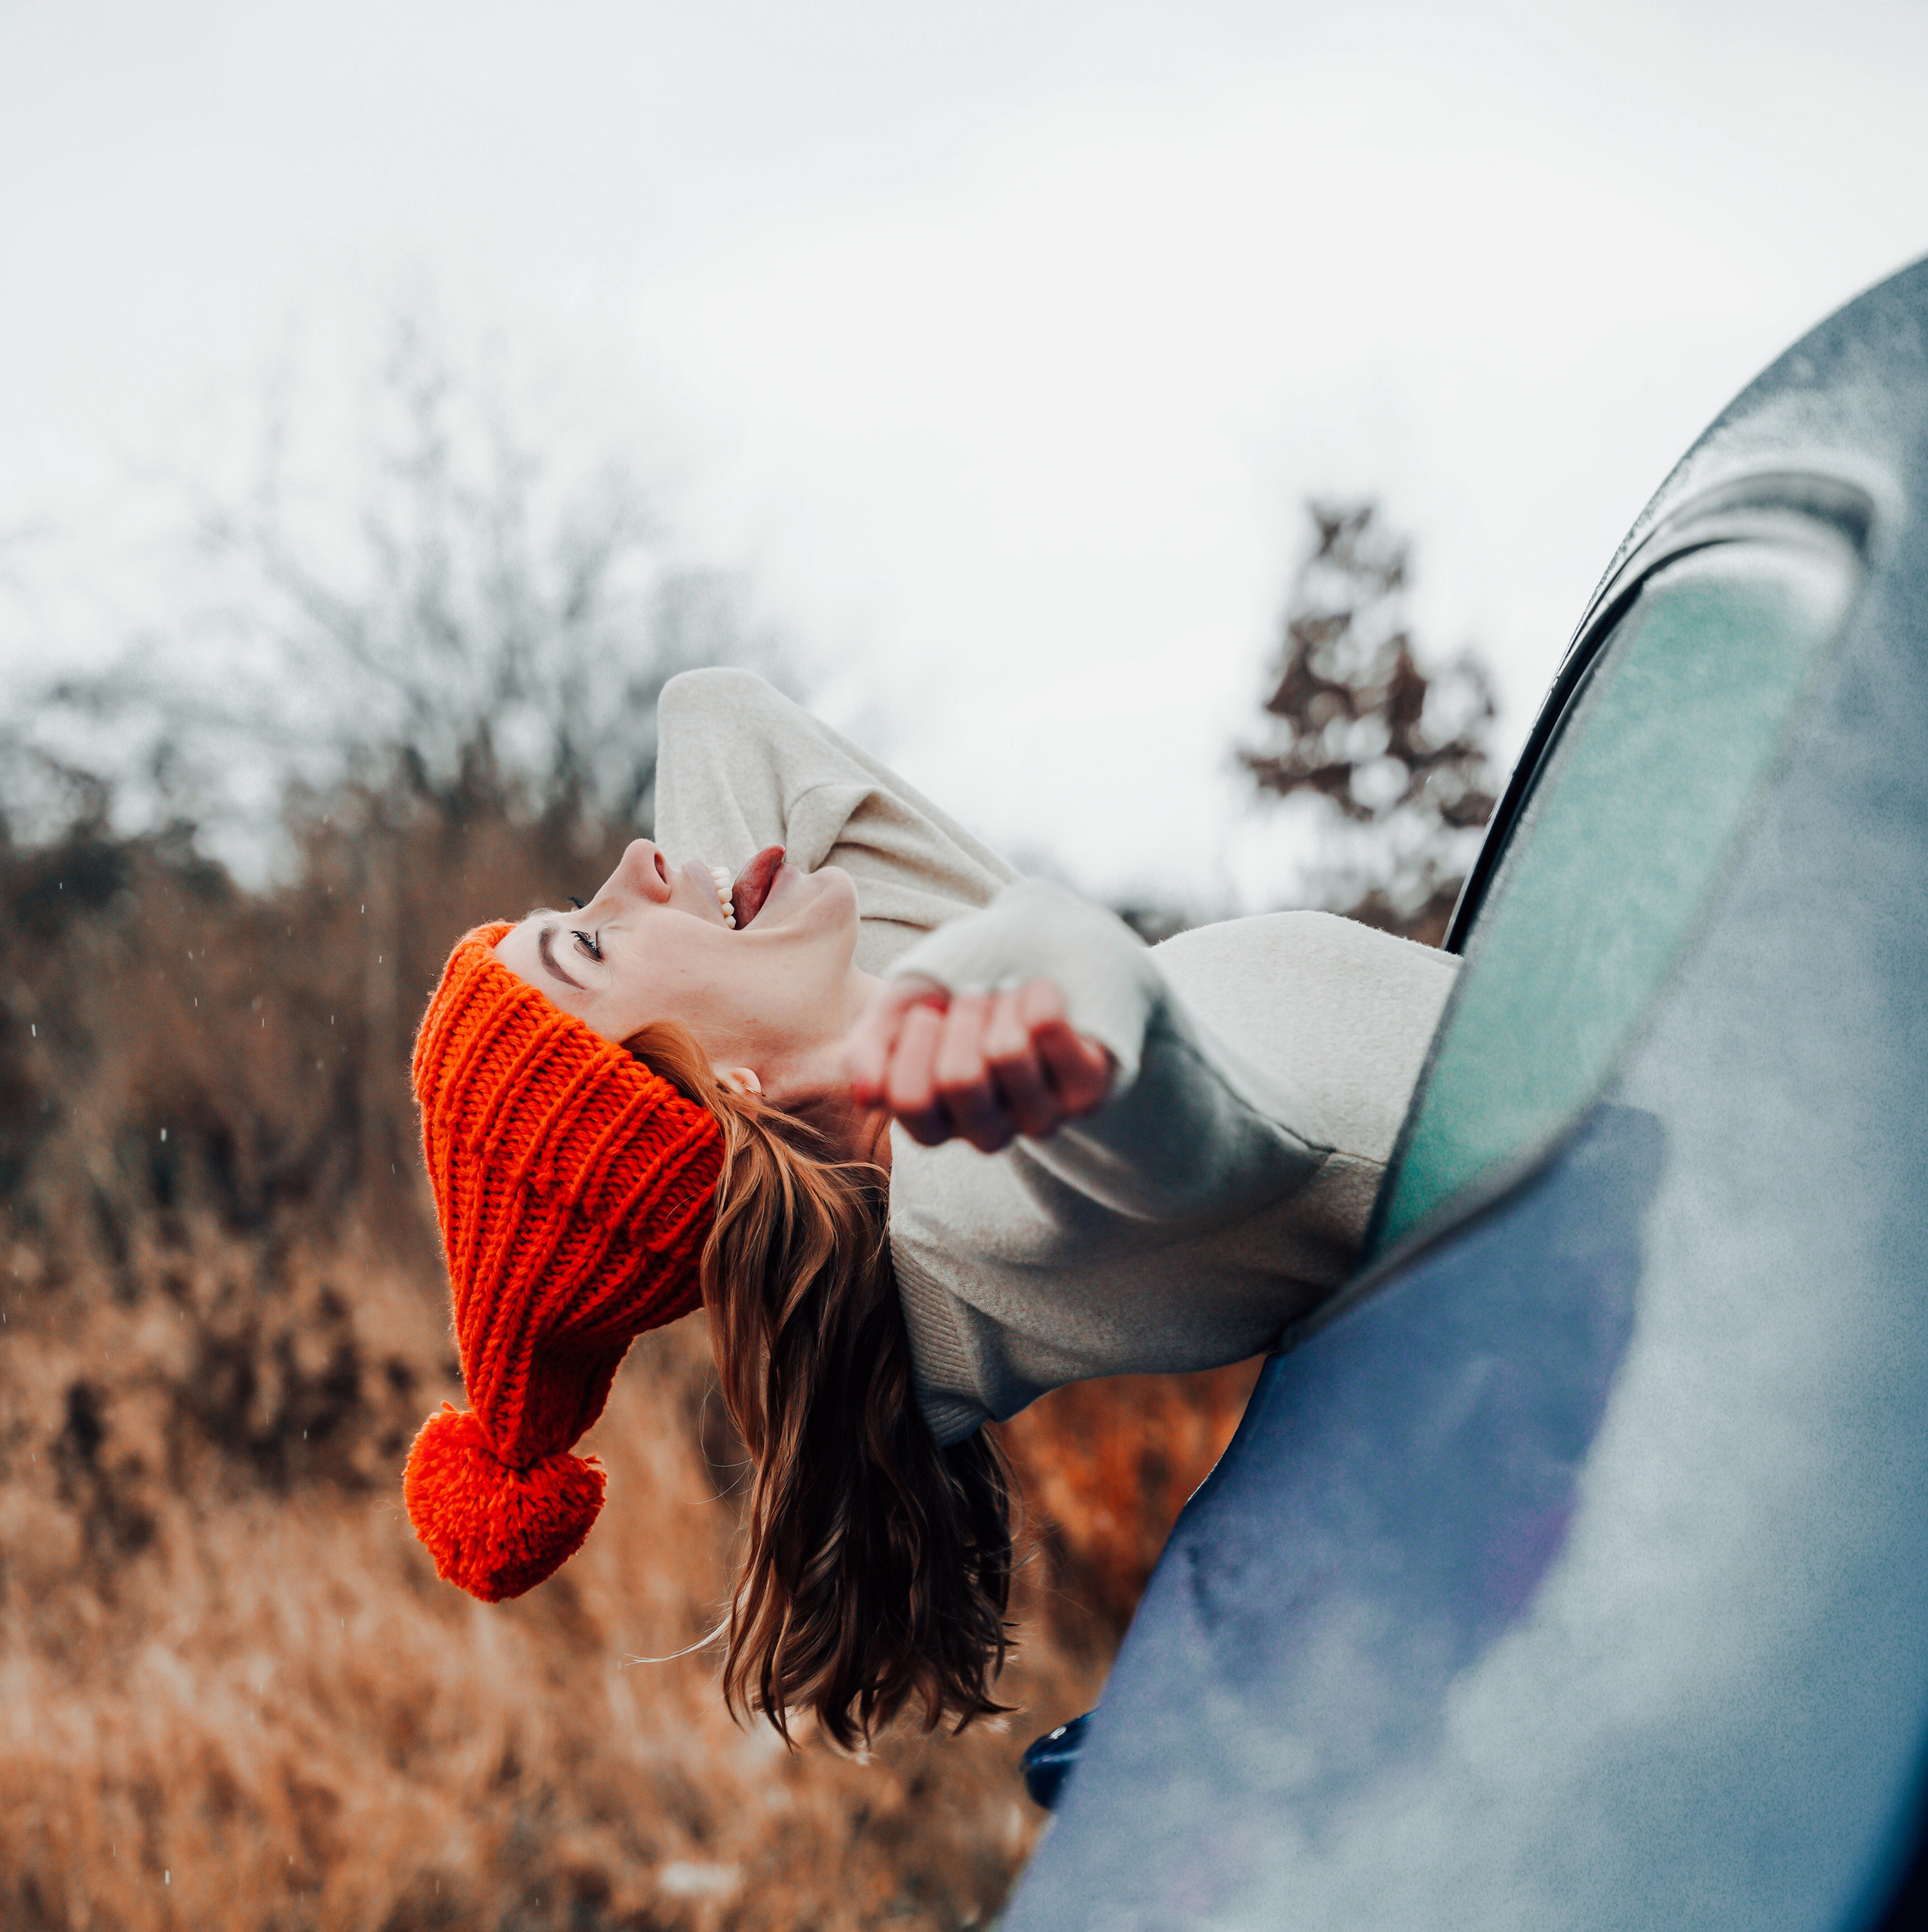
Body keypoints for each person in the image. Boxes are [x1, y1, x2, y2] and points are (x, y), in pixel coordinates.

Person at [405, 670, 1455, 1746]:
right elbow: (1180, 1115)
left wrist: (735, 944)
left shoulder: (883, 1050)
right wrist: (820, 978)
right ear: (719, 1093)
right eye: (591, 941)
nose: (636, 863)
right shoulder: (980, 1186)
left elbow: (714, 715)